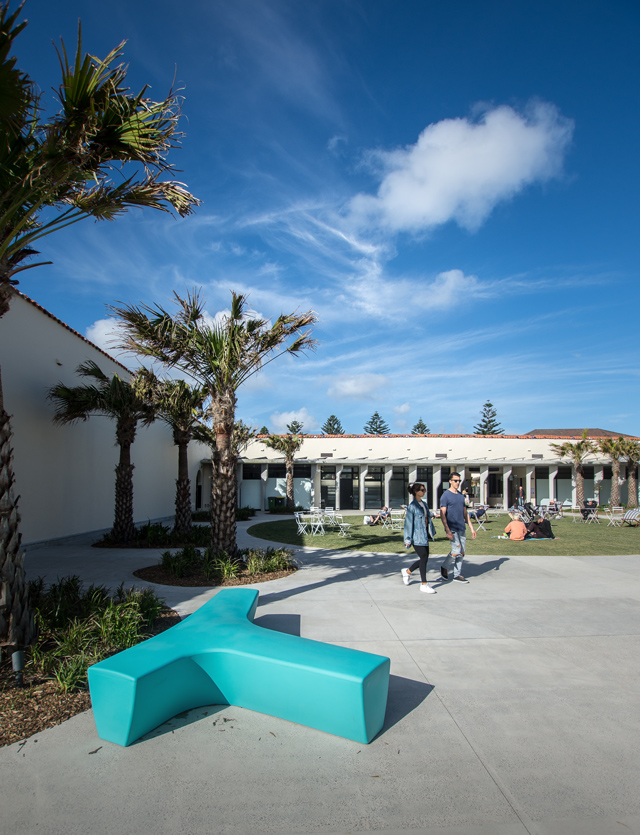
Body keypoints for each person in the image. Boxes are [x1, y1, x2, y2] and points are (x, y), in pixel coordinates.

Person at [440, 472, 476, 583]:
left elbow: (465, 513)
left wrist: (472, 528)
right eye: (455, 480)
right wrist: (447, 529)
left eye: (459, 481)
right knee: (456, 550)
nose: (457, 483)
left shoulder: (461, 496)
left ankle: (457, 575)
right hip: (452, 528)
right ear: (450, 481)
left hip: (461, 527)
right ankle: (444, 566)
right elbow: (442, 514)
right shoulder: (445, 495)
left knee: (462, 552)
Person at [401, 484, 436, 594]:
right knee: (424, 557)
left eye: (424, 489)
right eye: (422, 490)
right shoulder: (412, 507)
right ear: (416, 492)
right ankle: (424, 584)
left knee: (424, 558)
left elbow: (428, 520)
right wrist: (407, 539)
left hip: (424, 535)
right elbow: (408, 524)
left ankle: (407, 572)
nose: (424, 491)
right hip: (416, 536)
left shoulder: (424, 504)